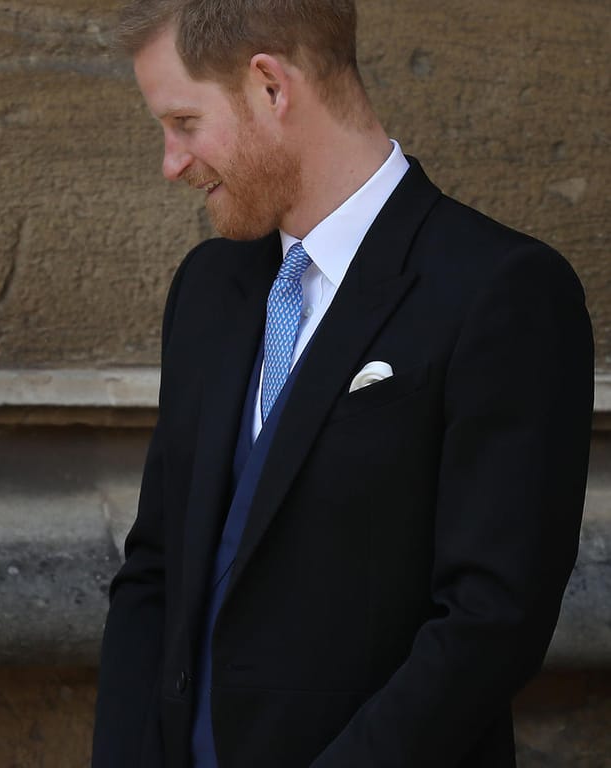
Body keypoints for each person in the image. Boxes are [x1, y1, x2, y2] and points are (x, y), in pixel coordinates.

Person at [91, 2, 592, 767]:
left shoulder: (502, 292)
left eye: (185, 123)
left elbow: (492, 621)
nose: (172, 162)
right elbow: (156, 568)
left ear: (270, 87)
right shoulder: (208, 288)